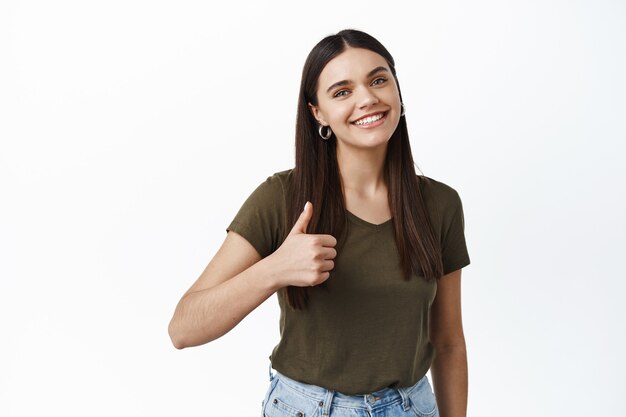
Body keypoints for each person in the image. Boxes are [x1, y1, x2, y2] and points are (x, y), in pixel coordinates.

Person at [168, 28, 471, 417]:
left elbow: (447, 342)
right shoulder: (281, 197)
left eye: (378, 80)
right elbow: (183, 328)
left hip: (411, 407)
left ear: (397, 90)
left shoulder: (440, 204)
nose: (367, 99)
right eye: (342, 91)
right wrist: (274, 269)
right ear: (318, 113)